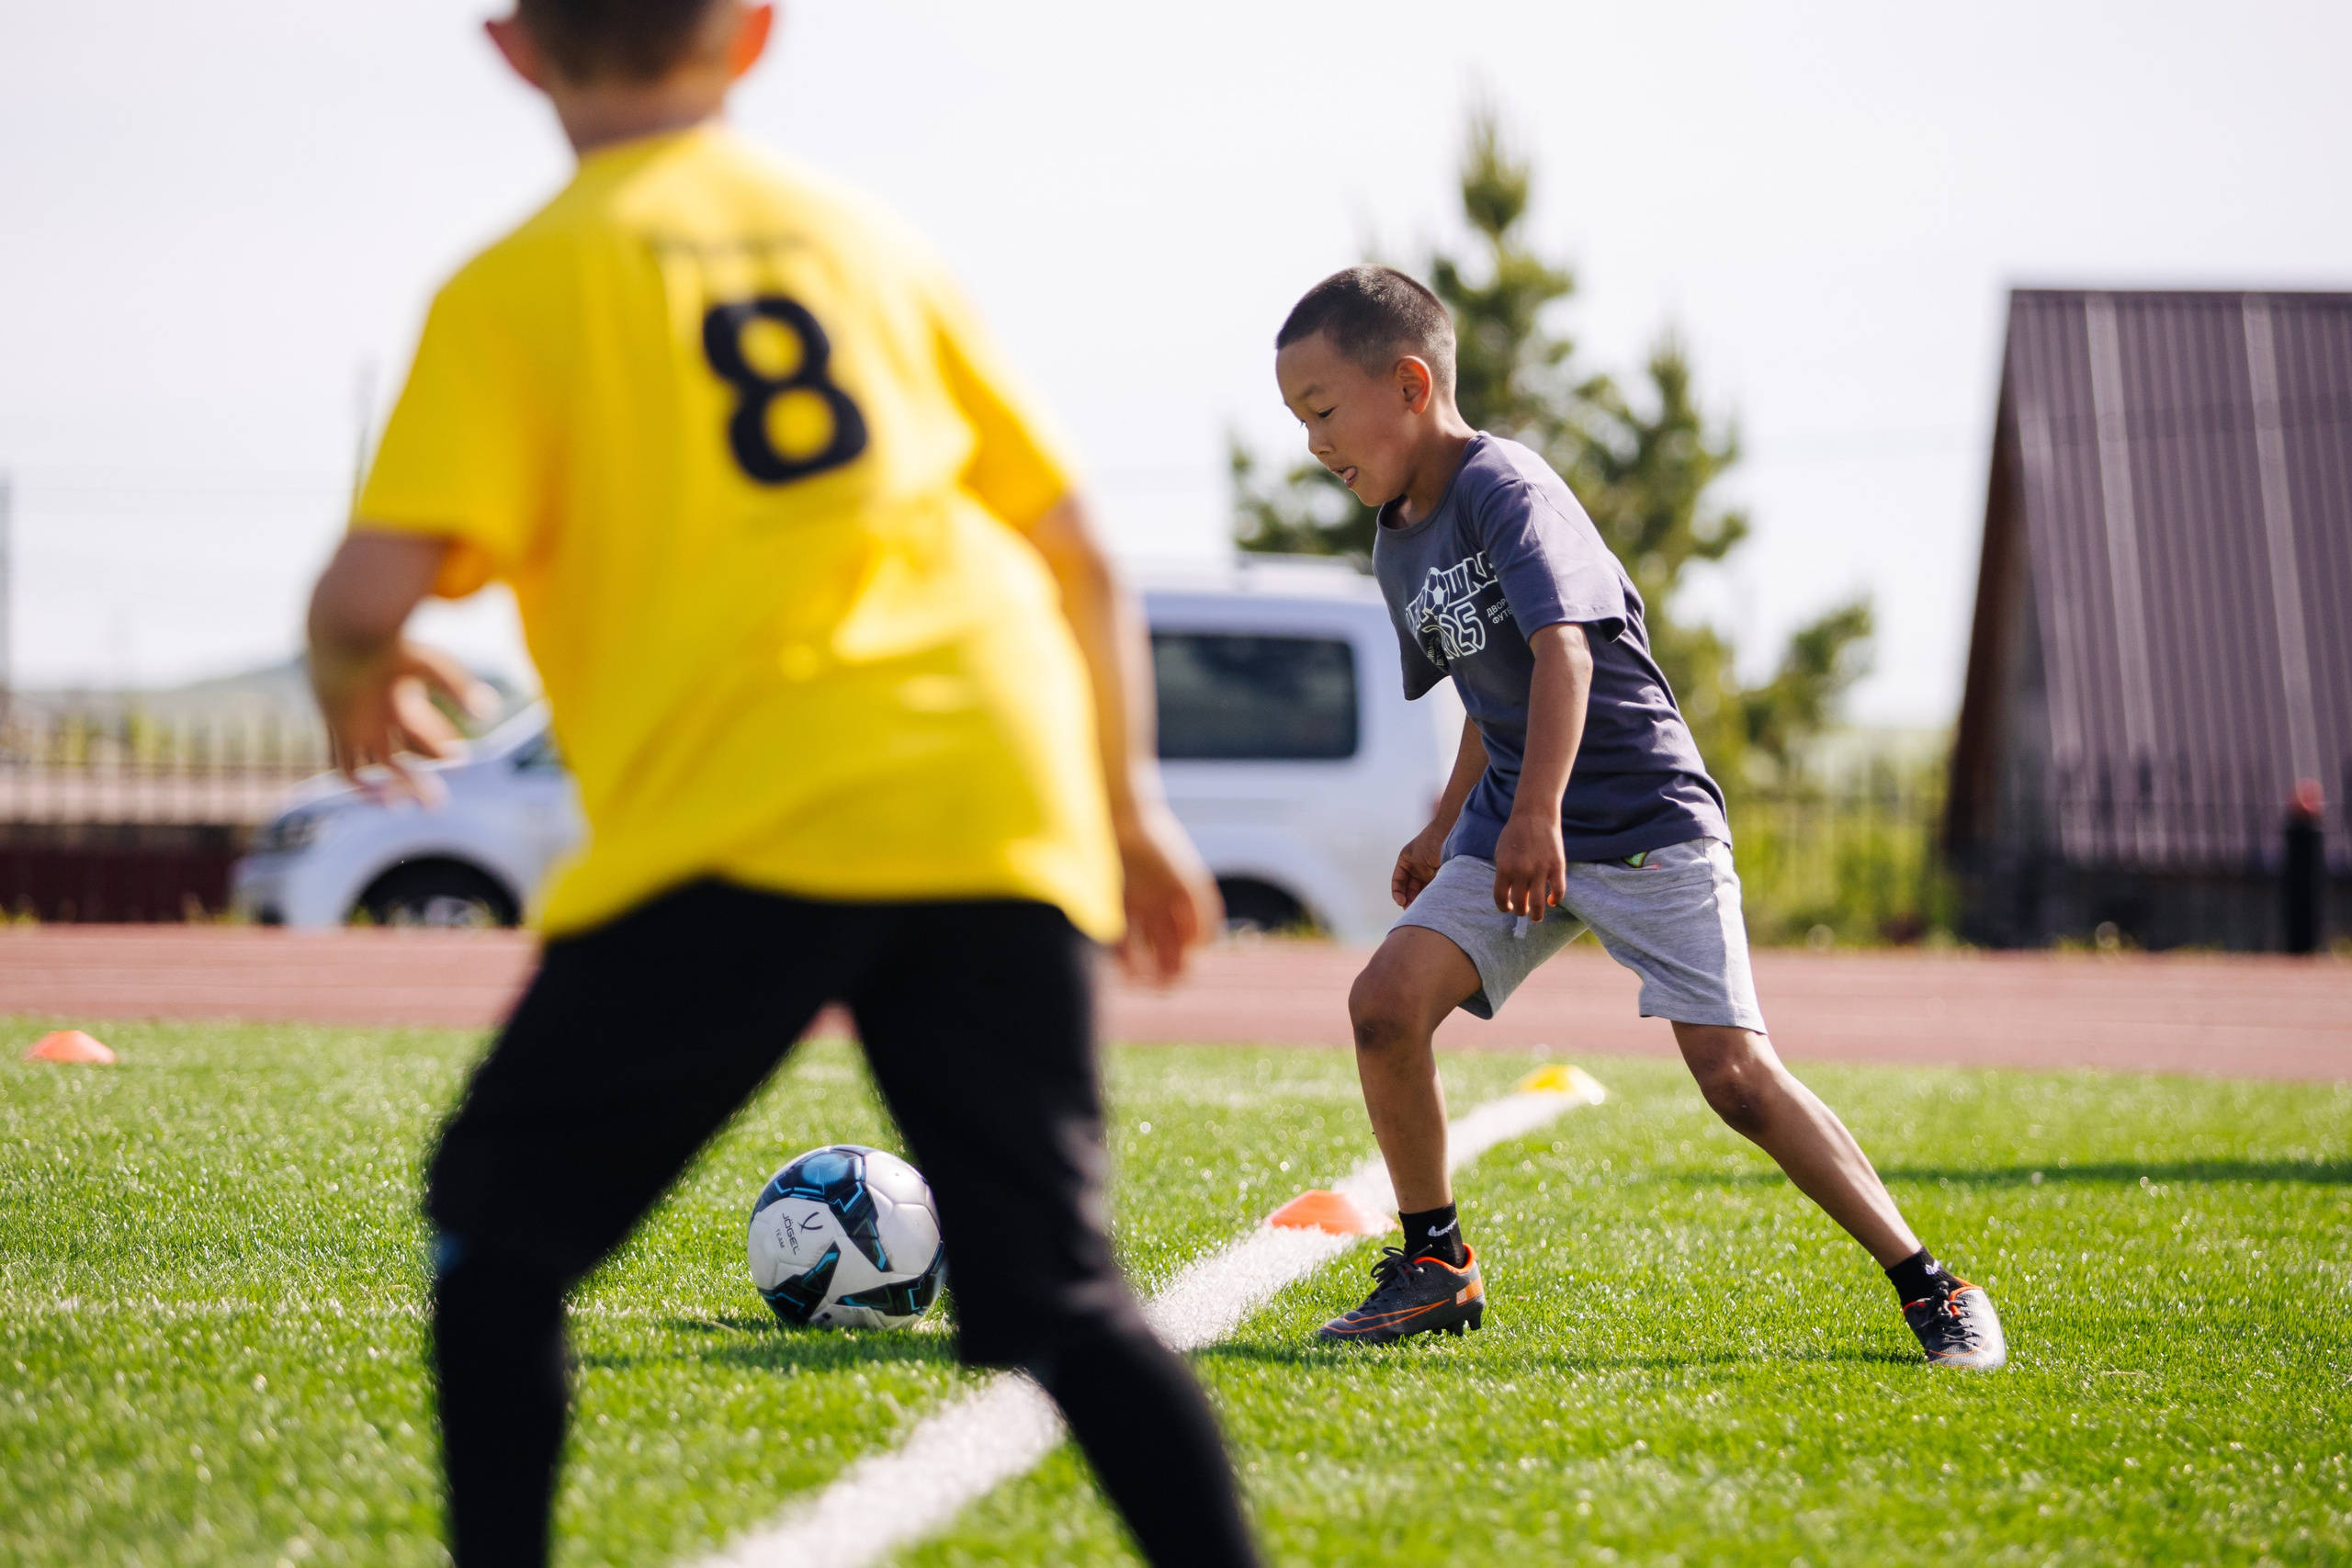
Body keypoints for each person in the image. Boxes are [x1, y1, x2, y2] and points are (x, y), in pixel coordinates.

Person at [303, 5, 1264, 1563]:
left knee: (500, 1236)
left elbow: (362, 598)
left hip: (756, 798)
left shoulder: (517, 285)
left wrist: (352, 670)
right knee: (1062, 1287)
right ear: (753, 36)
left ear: (510, 49)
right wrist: (1132, 802)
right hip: (990, 781)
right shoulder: (871, 243)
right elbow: (1077, 548)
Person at [1270, 265, 2006, 1371]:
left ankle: (1931, 1284)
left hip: (1637, 816)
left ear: (1411, 383)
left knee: (1737, 1080)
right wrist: (1443, 827)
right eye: (1299, 420)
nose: (1313, 442)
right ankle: (1437, 1265)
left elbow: (1563, 651)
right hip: (1519, 823)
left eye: (1323, 411)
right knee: (1383, 1004)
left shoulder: (1502, 485)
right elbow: (1490, 685)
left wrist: (1536, 815)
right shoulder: (1396, 534)